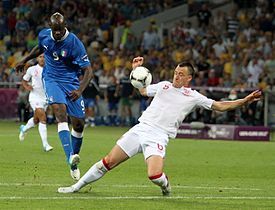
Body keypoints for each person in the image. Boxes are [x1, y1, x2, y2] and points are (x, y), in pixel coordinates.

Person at [57, 56, 261, 196]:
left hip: (158, 137)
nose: (176, 76)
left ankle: (166, 186)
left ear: (189, 78)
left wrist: (244, 100)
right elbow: (143, 90)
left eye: (181, 74)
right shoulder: (163, 86)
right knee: (107, 161)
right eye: (175, 72)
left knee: (154, 175)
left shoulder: (193, 96)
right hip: (140, 129)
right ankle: (76, 187)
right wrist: (135, 69)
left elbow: (219, 106)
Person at [15, 12, 93, 181]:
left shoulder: (74, 43)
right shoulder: (44, 35)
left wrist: (79, 90)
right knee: (60, 113)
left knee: (79, 125)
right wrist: (25, 60)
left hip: (72, 83)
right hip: (51, 79)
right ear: (51, 27)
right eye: (55, 30)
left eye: (60, 29)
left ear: (65, 26)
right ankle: (69, 156)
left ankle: (74, 160)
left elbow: (89, 71)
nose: (57, 33)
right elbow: (41, 47)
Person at [19, 54, 53, 152]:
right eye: (40, 57)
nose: (42, 59)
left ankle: (24, 129)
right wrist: (27, 87)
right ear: (37, 59)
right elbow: (24, 81)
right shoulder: (32, 69)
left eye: (44, 57)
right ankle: (45, 145)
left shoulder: (51, 69)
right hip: (35, 97)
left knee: (36, 120)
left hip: (46, 98)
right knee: (43, 118)